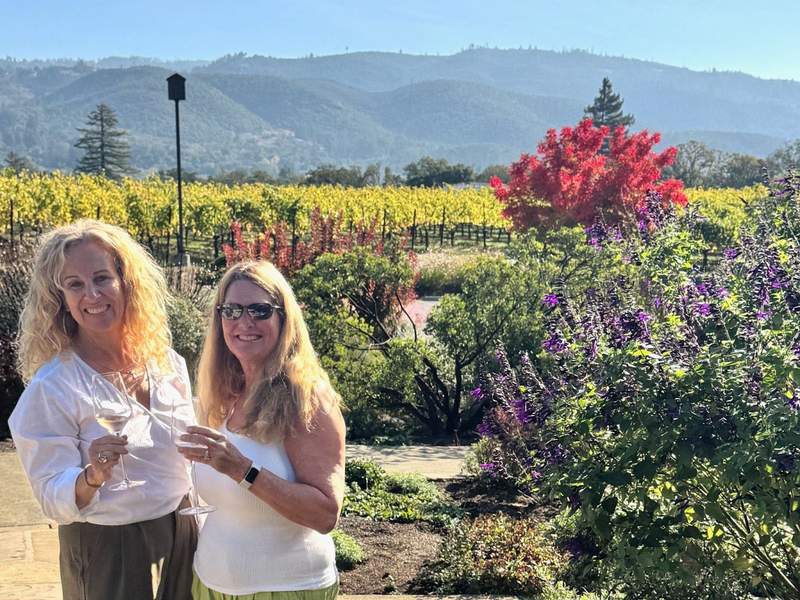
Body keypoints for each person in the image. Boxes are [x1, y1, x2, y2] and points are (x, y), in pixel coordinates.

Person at [9, 219, 197, 600]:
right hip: (111, 548)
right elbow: (51, 495)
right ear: (60, 297)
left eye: (101, 278)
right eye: (75, 284)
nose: (92, 295)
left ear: (126, 281)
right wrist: (91, 476)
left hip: (184, 533)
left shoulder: (167, 363)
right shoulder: (54, 385)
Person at [179, 260, 345, 600]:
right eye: (232, 310)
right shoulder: (227, 392)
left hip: (283, 588)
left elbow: (324, 514)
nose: (244, 322)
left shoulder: (306, 397)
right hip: (210, 583)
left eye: (259, 310)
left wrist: (242, 470)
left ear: (283, 319)